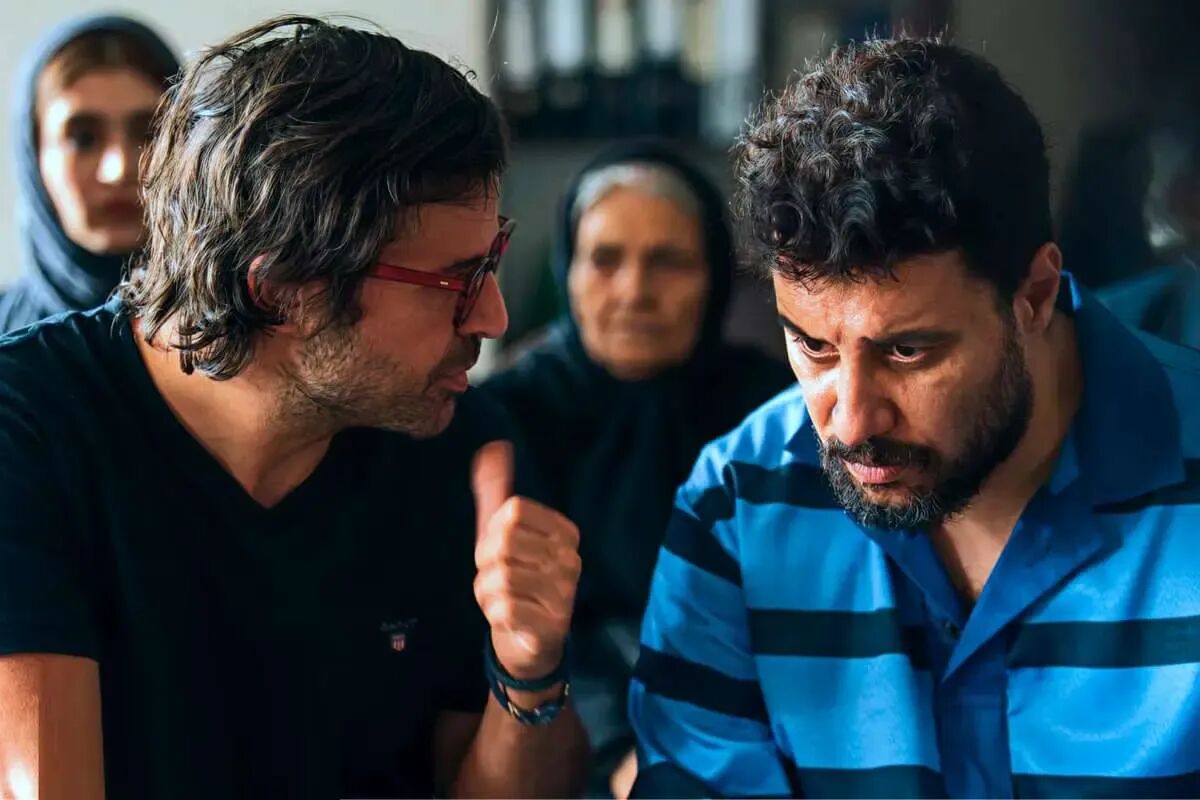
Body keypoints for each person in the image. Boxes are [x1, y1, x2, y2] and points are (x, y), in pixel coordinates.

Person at [0, 16, 588, 800]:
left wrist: (529, 669)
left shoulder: (452, 438)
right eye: (455, 281)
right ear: (278, 292)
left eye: (492, 263)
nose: (493, 318)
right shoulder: (31, 428)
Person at [628, 36, 1200, 799]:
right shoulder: (739, 504)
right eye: (813, 346)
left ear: (1033, 295)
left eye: (906, 351)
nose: (851, 424)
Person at [482, 141, 790, 796]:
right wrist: (623, 749)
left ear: (715, 277)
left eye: (669, 262)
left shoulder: (773, 414)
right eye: (605, 259)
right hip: (561, 734)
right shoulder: (508, 417)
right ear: (567, 271)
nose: (635, 291)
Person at [0, 14, 178, 333]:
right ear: (34, 156)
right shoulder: (8, 340)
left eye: (149, 134)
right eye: (82, 139)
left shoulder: (256, 336)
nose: (118, 170)